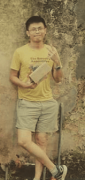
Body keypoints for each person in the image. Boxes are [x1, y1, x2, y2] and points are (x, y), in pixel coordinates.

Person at [9, 16, 67, 180]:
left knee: (41, 141)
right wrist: (25, 85)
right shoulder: (20, 52)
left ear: (45, 30)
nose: (37, 31)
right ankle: (55, 169)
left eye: (40, 28)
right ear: (28, 32)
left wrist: (57, 62)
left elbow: (58, 78)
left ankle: (37, 178)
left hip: (47, 102)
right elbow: (12, 77)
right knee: (24, 141)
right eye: (33, 29)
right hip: (27, 102)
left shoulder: (51, 51)